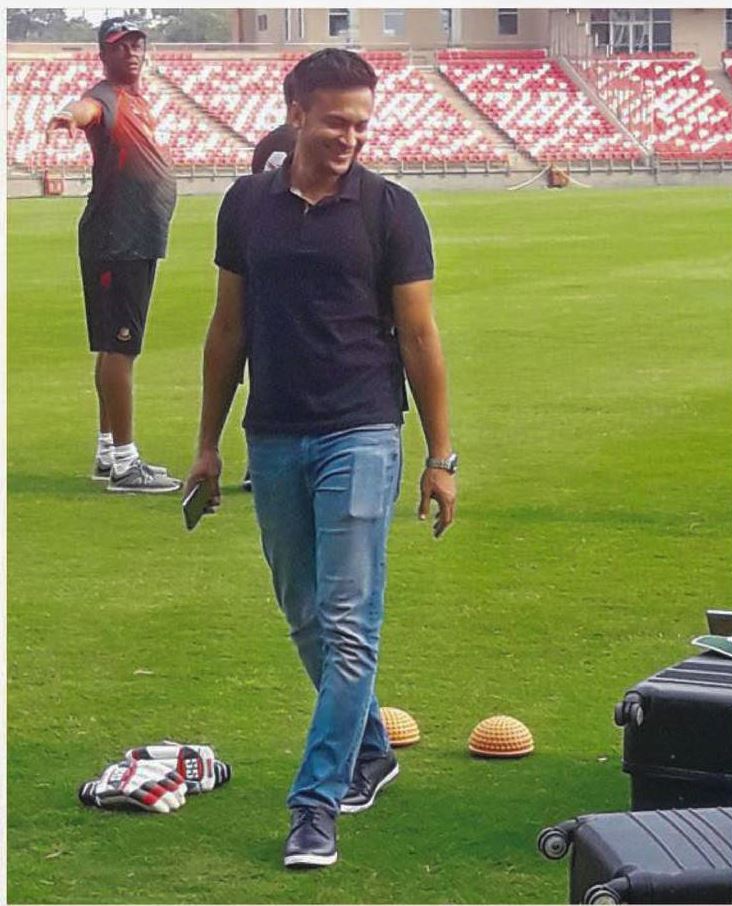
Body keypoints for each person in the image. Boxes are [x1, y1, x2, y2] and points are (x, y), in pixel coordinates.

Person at [185, 48, 457, 869]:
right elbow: (228, 327)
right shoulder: (246, 206)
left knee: (347, 622)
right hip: (272, 434)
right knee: (303, 611)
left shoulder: (390, 210)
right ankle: (369, 748)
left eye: (362, 125)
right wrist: (206, 444)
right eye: (336, 121)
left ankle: (316, 802)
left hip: (362, 431)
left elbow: (419, 338)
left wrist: (441, 456)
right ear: (295, 111)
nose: (350, 138)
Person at [46, 17, 180, 493]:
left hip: (131, 238)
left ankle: (108, 449)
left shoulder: (137, 100)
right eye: (120, 46)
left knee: (112, 345)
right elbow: (85, 109)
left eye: (137, 44)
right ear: (103, 54)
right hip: (118, 239)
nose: (132, 52)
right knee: (122, 346)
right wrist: (69, 115)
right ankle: (126, 463)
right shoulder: (105, 96)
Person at [241, 68, 298, 492]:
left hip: (262, 264)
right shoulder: (295, 144)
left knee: (264, 370)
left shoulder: (268, 144)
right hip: (293, 265)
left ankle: (256, 463)